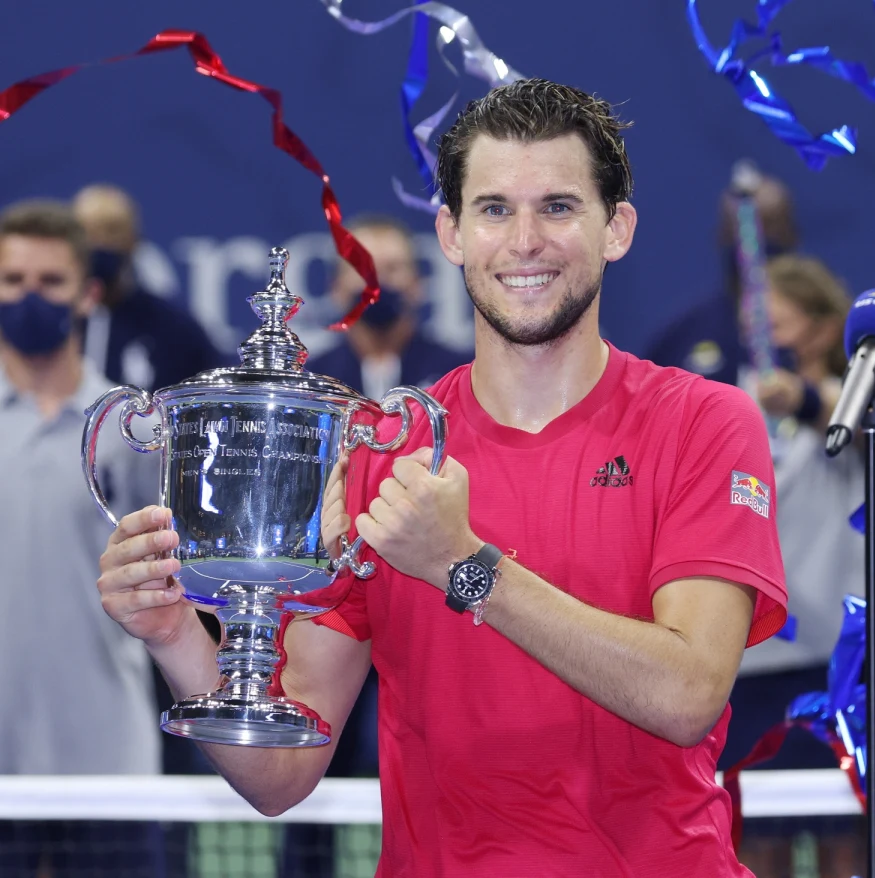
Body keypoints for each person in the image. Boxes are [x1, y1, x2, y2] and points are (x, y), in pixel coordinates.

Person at [96, 79, 789, 876]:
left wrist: (464, 565)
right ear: (452, 234)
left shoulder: (703, 422)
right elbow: (281, 775)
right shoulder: (378, 446)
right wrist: (177, 635)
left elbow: (687, 694)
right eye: (494, 209)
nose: (525, 240)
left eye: (559, 206)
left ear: (617, 229)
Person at [284, 213, 469, 878]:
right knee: (303, 756)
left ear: (420, 285)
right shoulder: (306, 387)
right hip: (320, 611)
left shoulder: (459, 382)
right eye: (363, 274)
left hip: (420, 610)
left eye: (392, 273)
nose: (378, 286)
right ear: (336, 288)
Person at [717, 255, 875, 878]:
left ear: (826, 330)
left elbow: (837, 415)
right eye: (755, 321)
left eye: (777, 320)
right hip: (753, 667)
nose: (762, 332)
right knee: (756, 846)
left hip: (850, 665)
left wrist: (800, 396)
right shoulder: (731, 412)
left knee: (850, 848)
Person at [0, 199, 163, 876]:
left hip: (108, 760)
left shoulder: (132, 429)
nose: (29, 297)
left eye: (50, 282)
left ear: (89, 293)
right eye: (12, 282)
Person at [644, 168, 799, 385]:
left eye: (769, 225)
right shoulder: (685, 334)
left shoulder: (819, 329)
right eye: (739, 226)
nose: (752, 241)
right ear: (722, 235)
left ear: (790, 234)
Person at [73, 183, 226, 391]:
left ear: (134, 240)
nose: (100, 242)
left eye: (112, 230)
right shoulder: (58, 321)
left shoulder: (173, 326)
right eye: (87, 231)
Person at [306, 212, 469, 398]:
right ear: (336, 287)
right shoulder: (314, 382)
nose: (377, 281)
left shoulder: (457, 377)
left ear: (417, 285)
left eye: (392, 268)